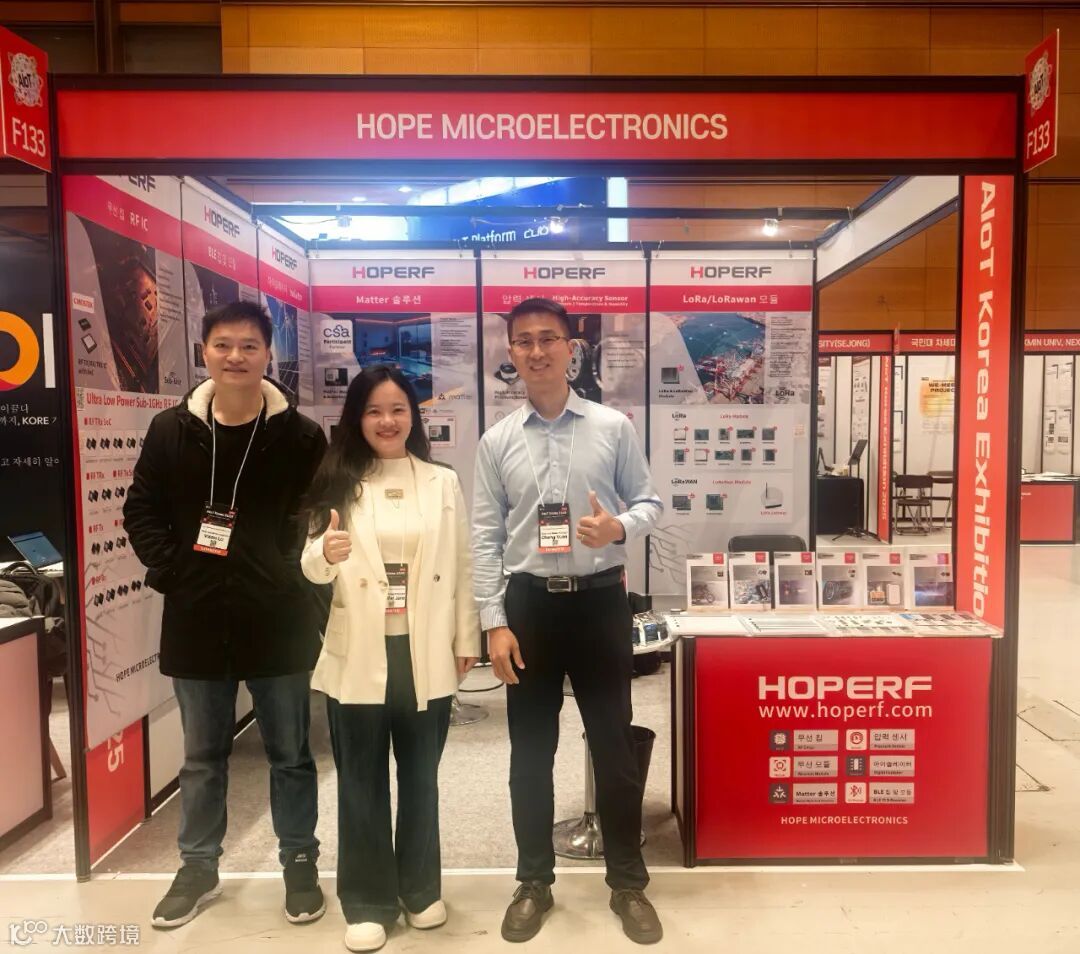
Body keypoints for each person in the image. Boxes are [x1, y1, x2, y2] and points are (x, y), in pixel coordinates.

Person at [123, 300, 328, 929]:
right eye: (222, 345)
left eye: (249, 346)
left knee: (291, 755)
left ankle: (299, 861)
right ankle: (198, 867)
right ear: (204, 352)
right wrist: (173, 571)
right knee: (201, 758)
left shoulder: (300, 436)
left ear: (268, 355)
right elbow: (141, 509)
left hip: (279, 619)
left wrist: (291, 576)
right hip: (196, 617)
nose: (235, 356)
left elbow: (317, 518)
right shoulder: (171, 430)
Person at [472, 297, 665, 945]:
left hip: (599, 602)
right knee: (530, 755)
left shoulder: (612, 427)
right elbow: (485, 538)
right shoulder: (498, 441)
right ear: (511, 353)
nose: (537, 351)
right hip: (529, 609)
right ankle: (533, 881)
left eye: (549, 338)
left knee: (613, 748)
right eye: (524, 341)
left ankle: (628, 882)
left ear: (571, 348)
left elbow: (650, 502)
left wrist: (619, 527)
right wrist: (494, 621)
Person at [300, 365, 480, 953]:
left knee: (421, 778)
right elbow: (310, 567)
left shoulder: (441, 482)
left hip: (423, 651)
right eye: (374, 410)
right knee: (360, 782)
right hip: (358, 653)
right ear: (357, 418)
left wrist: (466, 638)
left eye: (398, 409)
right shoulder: (337, 482)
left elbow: (462, 565)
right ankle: (367, 901)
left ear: (413, 416)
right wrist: (325, 553)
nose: (386, 421)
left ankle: (420, 890)